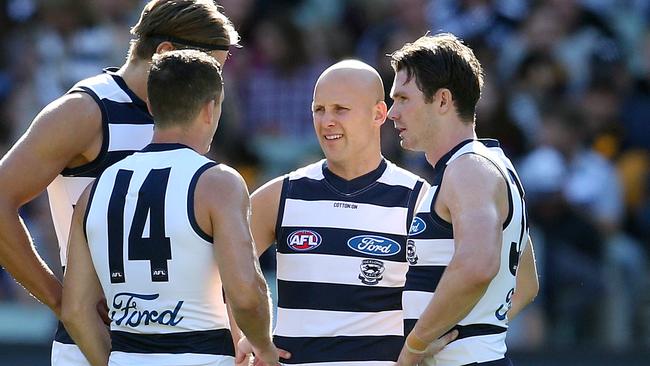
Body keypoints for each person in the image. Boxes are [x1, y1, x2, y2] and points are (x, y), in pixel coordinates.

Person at [0, 1, 239, 364]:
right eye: (211, 68)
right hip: (97, 338)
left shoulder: (188, 118)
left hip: (192, 339)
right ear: (165, 53)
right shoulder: (85, 110)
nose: (215, 86)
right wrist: (61, 300)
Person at [60, 49, 281, 366]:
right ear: (210, 109)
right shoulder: (217, 183)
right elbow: (245, 293)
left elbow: (75, 311)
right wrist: (265, 349)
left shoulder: (95, 190)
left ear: (151, 106)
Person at [240, 59, 453, 366]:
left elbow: (460, 286)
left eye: (340, 109)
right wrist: (250, 335)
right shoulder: (281, 195)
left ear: (378, 114)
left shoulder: (419, 199)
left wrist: (424, 346)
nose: (326, 120)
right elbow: (218, 272)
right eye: (319, 109)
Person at [387, 33, 539, 365]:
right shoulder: (489, 165)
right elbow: (526, 283)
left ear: (442, 100)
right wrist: (475, 330)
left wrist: (415, 347)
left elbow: (477, 265)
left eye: (402, 99)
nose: (391, 113)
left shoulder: (467, 170)